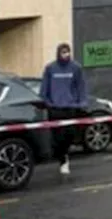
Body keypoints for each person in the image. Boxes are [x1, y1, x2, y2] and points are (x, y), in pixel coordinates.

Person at [39, 42, 89, 176]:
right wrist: (47, 102)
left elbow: (81, 86)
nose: (65, 54)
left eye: (67, 52)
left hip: (71, 108)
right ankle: (62, 159)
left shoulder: (76, 68)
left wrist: (82, 102)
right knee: (58, 137)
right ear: (58, 53)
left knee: (70, 135)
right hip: (55, 109)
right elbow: (44, 88)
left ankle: (64, 155)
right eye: (63, 52)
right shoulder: (50, 68)